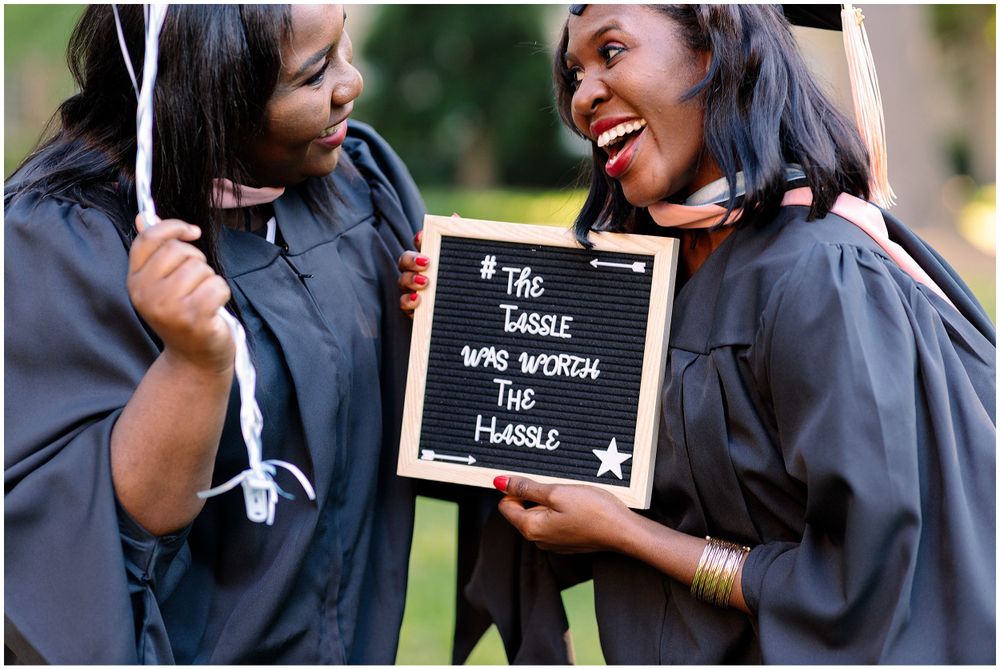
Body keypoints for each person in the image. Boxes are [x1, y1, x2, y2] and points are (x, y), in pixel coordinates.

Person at [406, 4, 996, 664]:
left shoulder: (825, 278)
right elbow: (567, 468)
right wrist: (457, 315)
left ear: (715, 51)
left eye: (610, 53)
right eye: (573, 72)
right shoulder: (650, 271)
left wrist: (628, 535)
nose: (582, 96)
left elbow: (861, 584)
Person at [5, 5, 426, 663]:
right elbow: (76, 549)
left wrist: (444, 315)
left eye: (342, 40)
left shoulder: (351, 183)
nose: (352, 83)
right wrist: (196, 361)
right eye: (316, 73)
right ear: (206, 96)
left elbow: (430, 422)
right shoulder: (69, 242)